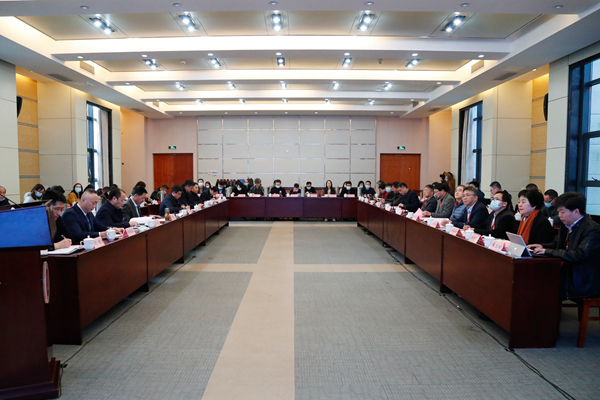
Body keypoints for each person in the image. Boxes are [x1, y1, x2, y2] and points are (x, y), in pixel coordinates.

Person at [529, 192, 600, 299]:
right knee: (534, 279)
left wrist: (547, 251)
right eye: (558, 212)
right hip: (566, 271)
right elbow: (557, 244)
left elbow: (580, 254)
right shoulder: (566, 224)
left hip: (582, 279)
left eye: (562, 212)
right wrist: (541, 246)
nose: (560, 216)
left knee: (542, 285)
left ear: (576, 211)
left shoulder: (592, 229)